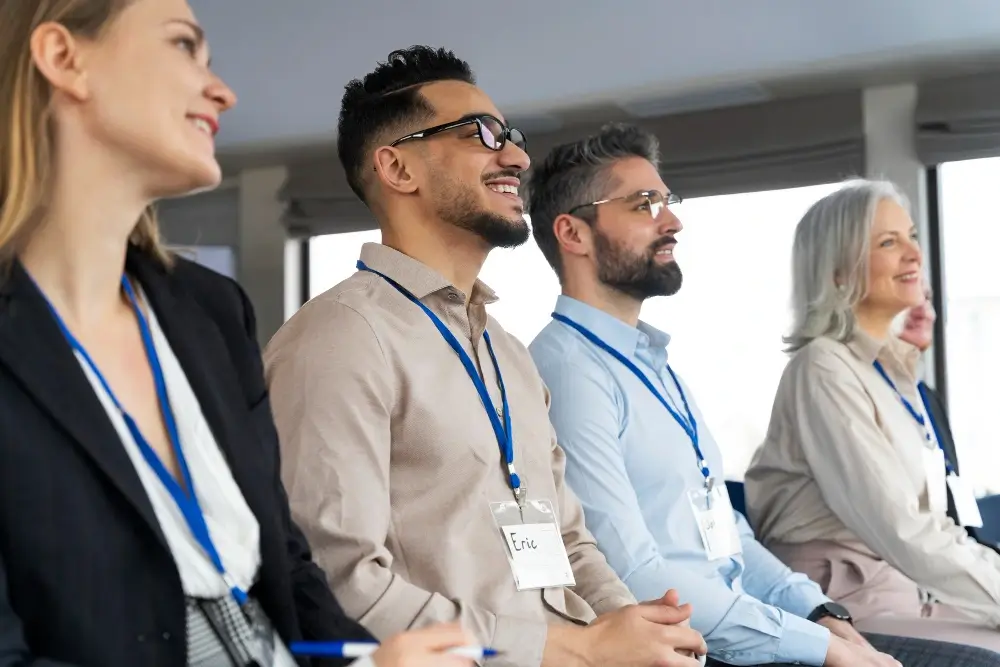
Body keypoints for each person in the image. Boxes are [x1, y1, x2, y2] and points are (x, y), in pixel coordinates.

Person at [0, 2, 478, 666]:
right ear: (63, 58)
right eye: (181, 46)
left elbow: (284, 563)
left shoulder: (212, 313)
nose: (223, 90)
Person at [265, 47, 708, 667]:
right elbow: (343, 583)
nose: (519, 158)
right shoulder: (339, 338)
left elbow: (570, 541)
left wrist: (631, 630)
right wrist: (574, 649)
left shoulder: (506, 349)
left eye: (512, 137)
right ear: (397, 168)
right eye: (480, 134)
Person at [524, 123, 1000, 667]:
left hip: (745, 623)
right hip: (694, 644)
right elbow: (639, 577)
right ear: (573, 234)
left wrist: (821, 613)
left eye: (667, 202)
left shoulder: (653, 364)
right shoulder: (567, 372)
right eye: (643, 205)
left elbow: (730, 537)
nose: (673, 220)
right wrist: (819, 646)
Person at [744, 179, 1000, 652]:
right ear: (839, 272)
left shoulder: (891, 376)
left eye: (912, 237)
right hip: (844, 608)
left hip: (905, 596)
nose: (914, 255)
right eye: (888, 242)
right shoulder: (822, 367)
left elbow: (936, 526)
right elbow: (903, 529)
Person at [896, 287, 999, 551]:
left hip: (958, 548)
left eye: (927, 299)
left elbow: (953, 481)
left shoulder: (927, 397)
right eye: (907, 299)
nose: (923, 311)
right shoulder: (870, 397)